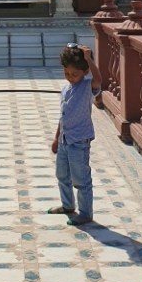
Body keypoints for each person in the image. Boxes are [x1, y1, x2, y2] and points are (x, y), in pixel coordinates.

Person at [49, 43, 103, 226]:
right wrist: (56, 138)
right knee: (62, 174)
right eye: (67, 74)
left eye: (75, 74)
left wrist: (89, 59)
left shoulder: (88, 86)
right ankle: (67, 205)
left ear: (85, 72)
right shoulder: (65, 90)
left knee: (80, 178)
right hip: (65, 139)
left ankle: (86, 213)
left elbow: (99, 80)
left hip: (79, 141)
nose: (70, 78)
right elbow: (62, 116)